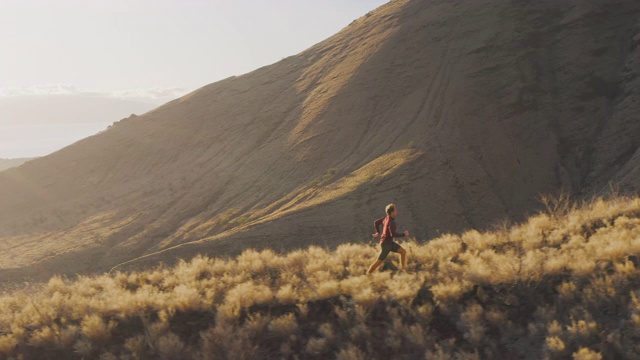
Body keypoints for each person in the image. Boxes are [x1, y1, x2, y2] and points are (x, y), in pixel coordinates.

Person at [367, 203, 408, 274]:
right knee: (379, 261)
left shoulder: (385, 218)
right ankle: (368, 274)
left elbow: (376, 222)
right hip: (386, 245)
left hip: (389, 243)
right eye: (395, 210)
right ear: (392, 212)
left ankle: (403, 270)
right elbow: (393, 234)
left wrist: (377, 232)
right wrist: (403, 234)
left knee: (403, 252)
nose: (397, 211)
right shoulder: (391, 223)